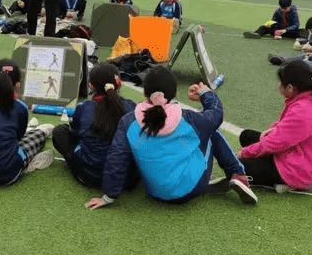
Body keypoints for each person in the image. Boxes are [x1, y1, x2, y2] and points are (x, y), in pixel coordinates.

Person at [86, 66, 257, 209]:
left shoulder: (128, 121)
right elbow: (216, 115)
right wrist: (206, 94)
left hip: (154, 192)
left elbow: (117, 158)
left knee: (201, 131)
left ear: (145, 93)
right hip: (188, 190)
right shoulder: (188, 119)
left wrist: (108, 196)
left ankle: (204, 177)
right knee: (212, 132)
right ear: (174, 93)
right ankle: (237, 174)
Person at [238, 61, 312, 190]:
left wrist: (244, 153)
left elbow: (274, 143)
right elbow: (282, 132)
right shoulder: (308, 98)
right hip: (297, 155)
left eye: (280, 82)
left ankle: (287, 183)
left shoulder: (303, 110)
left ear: (290, 87)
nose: (278, 85)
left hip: (298, 171)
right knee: (247, 136)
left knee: (237, 166)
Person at [52, 64, 137, 188]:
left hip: (88, 176)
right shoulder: (131, 107)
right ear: (118, 82)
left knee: (60, 132)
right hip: (125, 178)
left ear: (90, 85)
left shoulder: (84, 108)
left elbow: (76, 133)